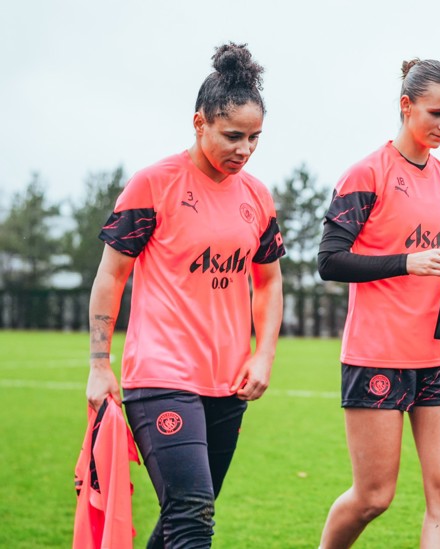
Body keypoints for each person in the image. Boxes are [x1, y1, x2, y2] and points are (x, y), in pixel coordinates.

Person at [85, 42, 285, 548]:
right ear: (200, 123)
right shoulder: (154, 184)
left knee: (184, 517)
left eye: (255, 138)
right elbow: (111, 276)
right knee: (193, 518)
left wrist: (263, 356)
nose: (244, 149)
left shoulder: (258, 197)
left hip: (228, 384)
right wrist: (98, 362)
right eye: (233, 135)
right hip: (162, 376)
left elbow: (269, 280)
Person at [316, 58, 440, 549]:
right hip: (377, 356)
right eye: (436, 114)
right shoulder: (367, 174)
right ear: (406, 107)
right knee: (373, 497)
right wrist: (406, 262)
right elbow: (329, 261)